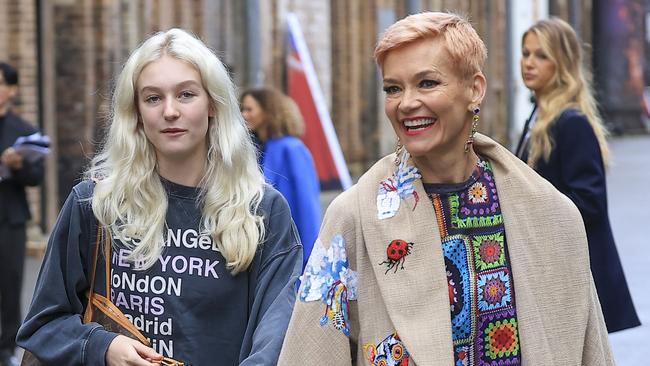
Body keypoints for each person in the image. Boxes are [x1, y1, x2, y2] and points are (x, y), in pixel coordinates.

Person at [279, 11, 613, 366]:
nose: (406, 103)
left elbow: (587, 347)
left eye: (427, 83)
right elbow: (313, 350)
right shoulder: (353, 217)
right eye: (393, 88)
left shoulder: (549, 213)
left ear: (475, 89)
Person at [17, 28, 302, 366]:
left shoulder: (262, 211)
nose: (169, 111)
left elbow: (278, 337)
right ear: (136, 112)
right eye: (153, 98)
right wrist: (102, 347)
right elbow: (43, 324)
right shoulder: (95, 204)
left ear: (212, 103)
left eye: (186, 95)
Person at [516, 18, 640, 333]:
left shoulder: (571, 123)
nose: (529, 63)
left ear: (563, 63)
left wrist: (529, 205)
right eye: (526, 53)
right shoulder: (538, 116)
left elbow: (589, 201)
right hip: (554, 266)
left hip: (574, 272)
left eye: (541, 55)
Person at [240, 87, 320, 267]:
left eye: (249, 109)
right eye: (242, 109)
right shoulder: (255, 149)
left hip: (289, 249)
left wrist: (308, 257)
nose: (244, 115)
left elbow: (307, 204)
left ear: (269, 111)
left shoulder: (291, 148)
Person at [0, 62, 45, 366]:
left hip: (9, 217)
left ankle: (6, 348)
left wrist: (17, 166)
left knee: (9, 283)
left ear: (12, 90)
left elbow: (36, 176)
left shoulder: (25, 131)